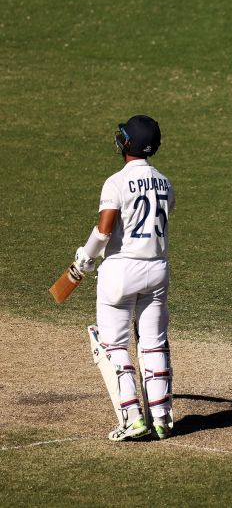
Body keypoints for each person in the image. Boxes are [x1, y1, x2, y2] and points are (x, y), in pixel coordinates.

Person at [73, 115, 176, 440]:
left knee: (114, 343)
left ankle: (133, 417)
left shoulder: (116, 183)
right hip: (157, 270)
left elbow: (104, 231)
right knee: (153, 344)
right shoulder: (166, 183)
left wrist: (85, 259)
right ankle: (161, 417)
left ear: (126, 143)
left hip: (120, 271)